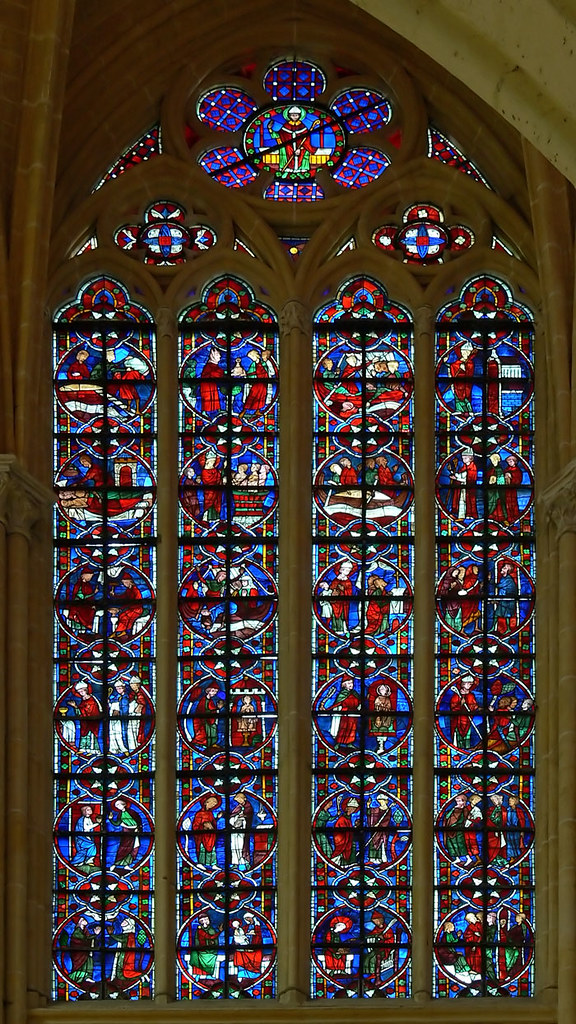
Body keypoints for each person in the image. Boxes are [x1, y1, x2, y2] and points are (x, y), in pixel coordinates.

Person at [267, 105, 321, 177]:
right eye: (292, 115)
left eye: (296, 115)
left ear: (300, 116)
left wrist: (301, 148)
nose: (294, 117)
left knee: (304, 154)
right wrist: (270, 129)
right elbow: (278, 136)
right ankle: (287, 170)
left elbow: (306, 140)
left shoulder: (303, 127)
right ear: (289, 116)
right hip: (288, 148)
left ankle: (300, 171)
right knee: (285, 151)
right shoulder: (285, 126)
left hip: (300, 148)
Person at [108, 798, 140, 871]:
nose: (118, 806)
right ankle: (115, 864)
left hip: (135, 831)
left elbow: (138, 820)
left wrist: (138, 828)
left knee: (135, 846)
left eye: (119, 804)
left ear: (124, 804)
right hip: (126, 832)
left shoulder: (132, 812)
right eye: (116, 805)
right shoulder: (120, 815)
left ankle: (127, 864)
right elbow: (117, 823)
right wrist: (111, 819)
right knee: (124, 848)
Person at [449, 675, 481, 750]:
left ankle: (467, 749)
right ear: (463, 684)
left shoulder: (471, 695)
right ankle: (459, 749)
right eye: (469, 683)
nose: (471, 684)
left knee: (467, 736)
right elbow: (453, 708)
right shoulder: (457, 695)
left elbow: (474, 706)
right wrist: (461, 704)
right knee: (458, 736)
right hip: (458, 721)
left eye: (471, 683)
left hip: (468, 720)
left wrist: (482, 709)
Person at [327, 677, 361, 746]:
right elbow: (337, 703)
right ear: (344, 684)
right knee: (343, 728)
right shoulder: (342, 694)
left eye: (352, 683)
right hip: (345, 713)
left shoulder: (355, 693)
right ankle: (338, 743)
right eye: (349, 683)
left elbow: (360, 701)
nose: (351, 685)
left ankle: (350, 743)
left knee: (352, 729)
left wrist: (360, 706)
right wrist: (327, 709)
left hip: (354, 713)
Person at [189, 794, 221, 868]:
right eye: (212, 802)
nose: (213, 804)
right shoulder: (199, 814)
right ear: (206, 802)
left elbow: (213, 824)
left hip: (211, 836)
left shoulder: (210, 813)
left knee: (212, 849)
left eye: (215, 803)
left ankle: (213, 864)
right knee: (202, 849)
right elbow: (195, 826)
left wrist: (217, 818)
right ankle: (201, 863)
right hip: (202, 836)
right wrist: (203, 826)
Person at [187, 912, 223, 978]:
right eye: (202, 920)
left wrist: (212, 944)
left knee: (208, 957)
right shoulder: (199, 930)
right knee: (194, 953)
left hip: (210, 950)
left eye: (206, 920)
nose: (205, 922)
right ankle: (197, 974)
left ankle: (208, 974)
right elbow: (198, 939)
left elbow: (213, 939)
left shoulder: (212, 929)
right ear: (200, 922)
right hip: (201, 949)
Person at [449, 448, 477, 520]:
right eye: (463, 458)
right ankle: (461, 516)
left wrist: (456, 478)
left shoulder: (473, 468)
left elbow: (468, 479)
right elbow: (461, 475)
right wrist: (454, 474)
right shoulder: (464, 467)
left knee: (468, 502)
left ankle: (469, 516)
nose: (463, 459)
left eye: (465, 458)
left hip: (469, 489)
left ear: (471, 458)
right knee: (461, 502)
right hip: (462, 488)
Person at [332, 796, 359, 866]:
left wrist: (355, 827)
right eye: (351, 808)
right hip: (343, 842)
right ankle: (346, 865)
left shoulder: (348, 819)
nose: (353, 810)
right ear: (346, 808)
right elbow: (340, 833)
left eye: (354, 808)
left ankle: (352, 864)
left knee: (353, 847)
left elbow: (349, 831)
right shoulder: (342, 819)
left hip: (349, 842)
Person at [492, 561, 518, 634]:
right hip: (504, 599)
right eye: (503, 567)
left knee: (507, 615)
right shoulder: (504, 578)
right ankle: (493, 628)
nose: (502, 569)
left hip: (509, 600)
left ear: (508, 571)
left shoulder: (508, 579)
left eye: (505, 568)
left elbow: (499, 586)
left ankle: (508, 629)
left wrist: (490, 581)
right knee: (497, 614)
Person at [230, 791, 254, 869]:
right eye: (237, 800)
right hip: (234, 830)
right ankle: (235, 863)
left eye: (240, 800)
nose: (239, 802)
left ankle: (246, 862)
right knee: (234, 846)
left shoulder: (248, 806)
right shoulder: (238, 807)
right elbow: (232, 815)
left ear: (244, 798)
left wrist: (244, 816)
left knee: (243, 846)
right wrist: (235, 817)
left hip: (243, 830)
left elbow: (250, 815)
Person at [71, 805, 100, 870]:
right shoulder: (82, 819)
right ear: (84, 811)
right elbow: (86, 828)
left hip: (87, 837)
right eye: (88, 809)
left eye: (90, 809)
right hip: (82, 838)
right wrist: (97, 824)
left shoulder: (88, 818)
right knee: (90, 846)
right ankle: (86, 860)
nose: (90, 810)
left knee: (84, 850)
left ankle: (84, 861)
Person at [199, 347, 224, 414]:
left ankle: (217, 410)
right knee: (208, 398)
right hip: (206, 386)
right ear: (212, 356)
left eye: (219, 354)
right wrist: (220, 372)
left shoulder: (214, 365)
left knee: (214, 397)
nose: (220, 356)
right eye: (217, 354)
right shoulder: (208, 366)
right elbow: (211, 374)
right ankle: (205, 412)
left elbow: (218, 373)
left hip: (212, 385)